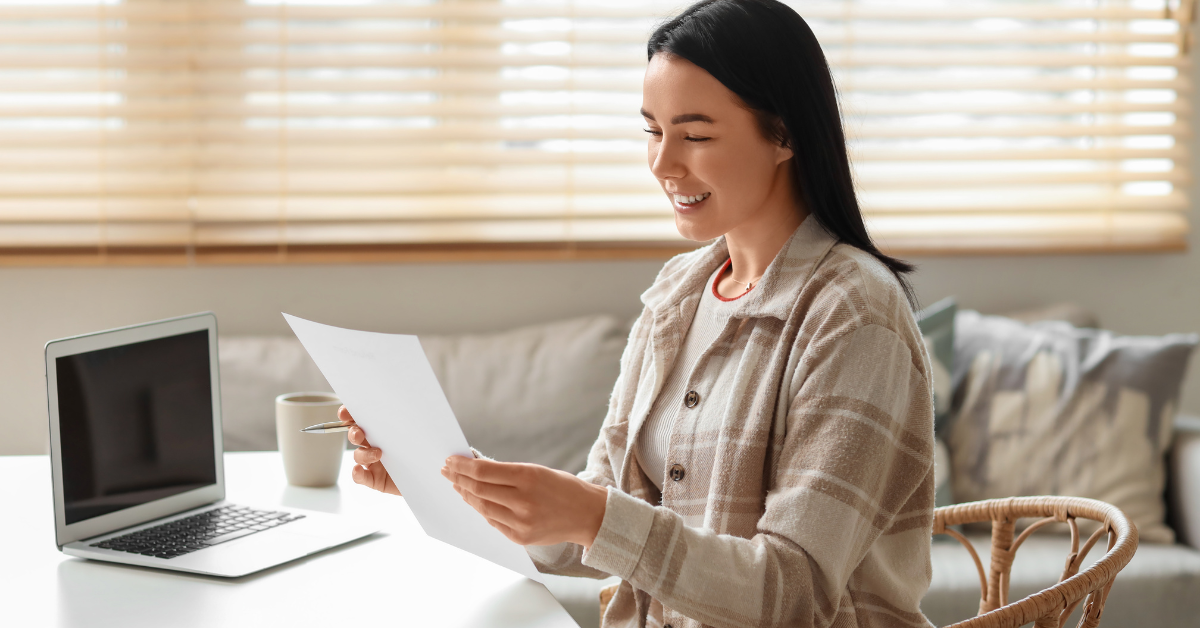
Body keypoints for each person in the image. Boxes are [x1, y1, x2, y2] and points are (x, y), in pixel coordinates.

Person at [341, 1, 935, 626]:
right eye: (653, 130)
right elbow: (595, 529)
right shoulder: (678, 294)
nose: (662, 163)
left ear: (784, 134)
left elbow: (795, 593)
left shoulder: (854, 316)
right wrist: (446, 483)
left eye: (696, 135)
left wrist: (595, 516)